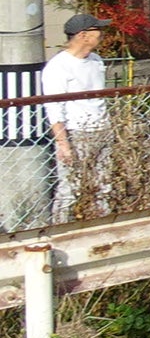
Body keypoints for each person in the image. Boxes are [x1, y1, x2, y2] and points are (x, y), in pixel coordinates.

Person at [41, 14, 109, 220]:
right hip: (76, 131)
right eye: (97, 30)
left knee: (103, 184)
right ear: (83, 35)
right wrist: (63, 143)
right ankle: (60, 226)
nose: (102, 34)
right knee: (70, 186)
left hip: (102, 128)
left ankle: (100, 222)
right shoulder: (58, 67)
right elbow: (54, 107)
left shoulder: (96, 61)